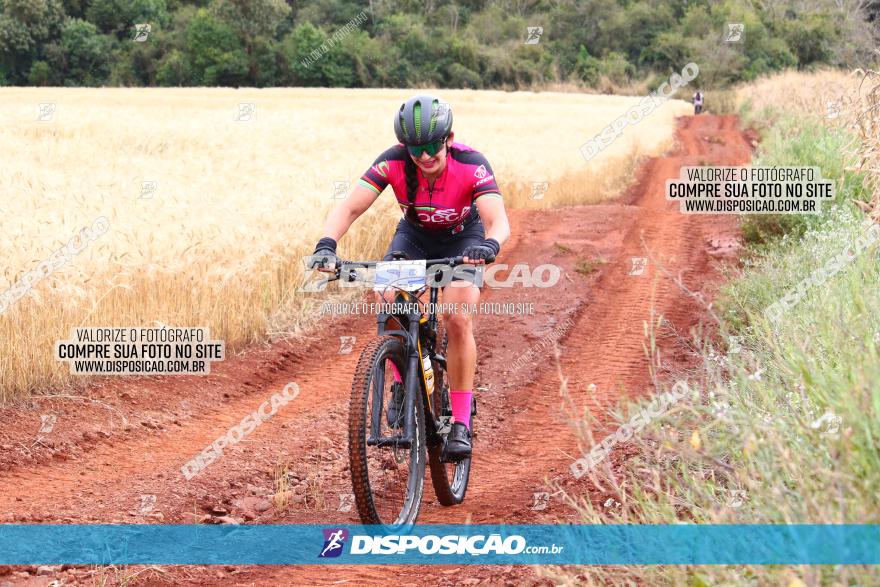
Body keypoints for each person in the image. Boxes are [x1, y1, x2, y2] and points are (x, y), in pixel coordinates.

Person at [309, 94, 511, 459]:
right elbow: (350, 206)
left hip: (463, 239)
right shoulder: (393, 162)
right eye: (416, 149)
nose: (425, 155)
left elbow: (499, 221)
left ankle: (461, 422)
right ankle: (402, 379)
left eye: (434, 145)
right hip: (414, 237)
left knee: (456, 315)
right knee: (387, 298)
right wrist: (326, 244)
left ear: (449, 138)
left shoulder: (471, 164)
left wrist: (490, 246)